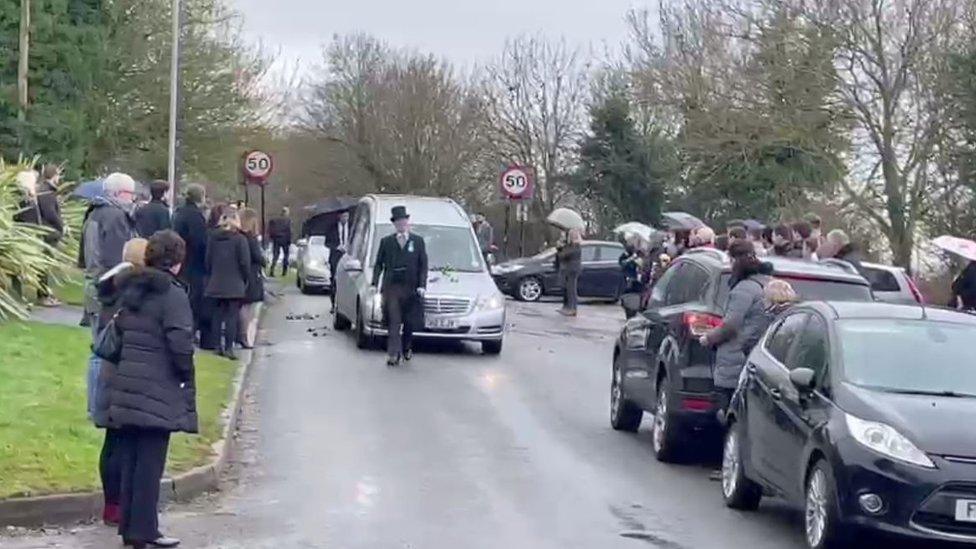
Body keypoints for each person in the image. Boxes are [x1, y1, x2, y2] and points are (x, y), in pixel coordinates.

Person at [104, 230, 194, 549]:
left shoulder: (132, 287)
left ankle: (130, 527)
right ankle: (145, 530)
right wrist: (185, 372)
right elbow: (180, 341)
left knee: (130, 461)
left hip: (127, 382)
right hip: (158, 387)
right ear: (177, 262)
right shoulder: (173, 295)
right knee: (150, 465)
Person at [90, 237, 148, 529]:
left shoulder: (107, 285)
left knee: (111, 440)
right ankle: (118, 504)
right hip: (119, 366)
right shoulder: (131, 291)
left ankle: (111, 504)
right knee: (122, 440)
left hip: (102, 364)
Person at [700, 240, 774, 416]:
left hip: (734, 359)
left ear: (735, 260)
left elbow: (731, 325)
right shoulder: (767, 284)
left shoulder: (743, 289)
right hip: (755, 356)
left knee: (726, 415)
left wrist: (708, 338)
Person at [372, 206, 429, 367]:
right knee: (394, 321)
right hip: (392, 288)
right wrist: (375, 283)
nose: (401, 224)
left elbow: (423, 265)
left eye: (403, 221)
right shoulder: (387, 242)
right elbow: (378, 264)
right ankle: (393, 354)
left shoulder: (417, 241)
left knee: (409, 321)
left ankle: (406, 347)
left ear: (407, 222)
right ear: (395, 224)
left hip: (411, 288)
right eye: (398, 221)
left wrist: (422, 285)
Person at [81, 173, 138, 328]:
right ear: (117, 193)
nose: (133, 198)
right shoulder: (115, 217)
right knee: (107, 340)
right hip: (107, 287)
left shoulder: (95, 212)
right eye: (130, 193)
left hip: (95, 282)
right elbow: (117, 258)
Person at [205, 212, 251, 359]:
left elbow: (208, 261)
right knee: (232, 316)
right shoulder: (240, 240)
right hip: (234, 282)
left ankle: (217, 346)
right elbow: (244, 262)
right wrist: (245, 278)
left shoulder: (213, 238)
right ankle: (229, 347)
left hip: (216, 281)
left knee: (217, 315)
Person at [172, 184, 209, 343]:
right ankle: (190, 331)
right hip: (194, 262)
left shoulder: (178, 213)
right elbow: (200, 241)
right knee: (194, 299)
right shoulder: (195, 216)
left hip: (180, 260)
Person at [239, 209, 266, 349]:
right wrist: (263, 260)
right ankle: (244, 335)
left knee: (243, 305)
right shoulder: (251, 238)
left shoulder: (238, 236)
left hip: (240, 274)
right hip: (252, 274)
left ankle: (242, 334)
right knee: (248, 307)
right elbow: (257, 256)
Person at [329, 210, 352, 312]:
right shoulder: (332, 228)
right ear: (339, 216)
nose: (345, 218)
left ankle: (346, 305)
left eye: (347, 216)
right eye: (343, 216)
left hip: (348, 256)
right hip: (336, 256)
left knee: (348, 281)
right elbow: (327, 242)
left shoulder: (352, 227)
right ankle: (334, 304)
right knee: (335, 281)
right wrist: (336, 247)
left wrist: (349, 247)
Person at [556, 228, 583, 317]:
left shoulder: (576, 246)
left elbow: (563, 255)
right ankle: (567, 307)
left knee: (572, 290)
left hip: (572, 270)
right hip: (569, 269)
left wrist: (559, 248)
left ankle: (573, 308)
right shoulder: (571, 246)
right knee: (568, 289)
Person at [267, 207, 293, 277]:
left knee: (275, 256)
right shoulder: (288, 221)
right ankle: (284, 272)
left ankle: (272, 271)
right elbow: (289, 231)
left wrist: (272, 238)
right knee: (286, 255)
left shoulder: (276, 220)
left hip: (276, 239)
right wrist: (289, 240)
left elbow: (271, 230)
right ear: (287, 213)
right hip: (285, 240)